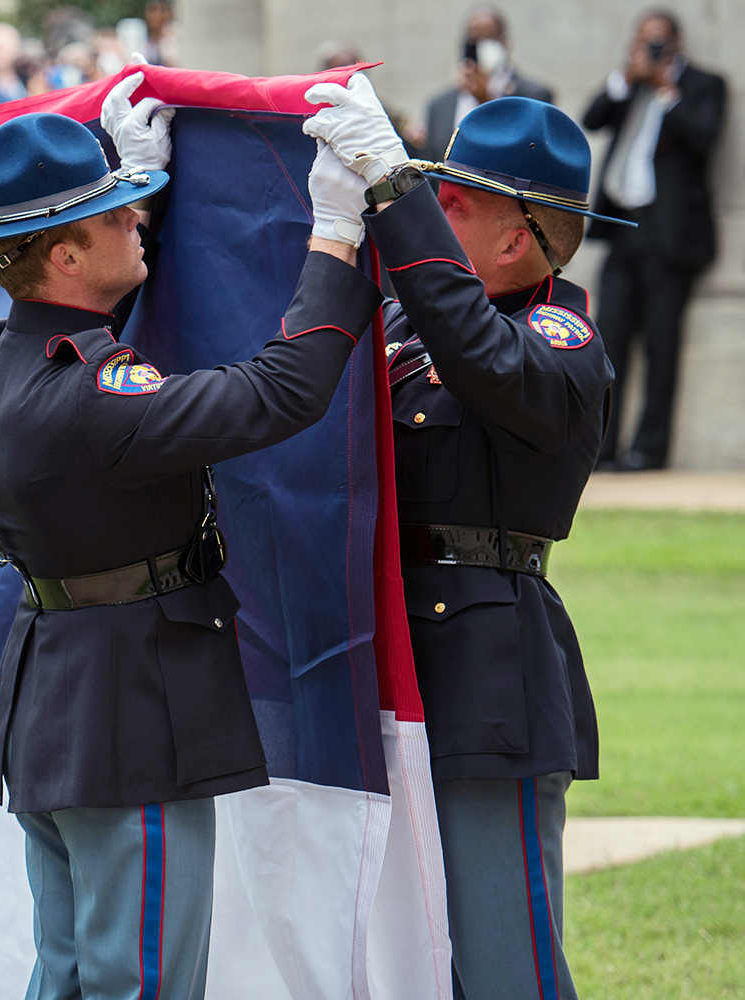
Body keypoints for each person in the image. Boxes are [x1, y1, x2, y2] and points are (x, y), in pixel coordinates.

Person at [0, 71, 383, 999]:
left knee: (72, 974)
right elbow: (281, 392)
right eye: (117, 215)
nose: (137, 221)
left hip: (58, 705)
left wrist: (141, 184)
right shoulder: (91, 400)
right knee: (143, 982)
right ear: (61, 255)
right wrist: (335, 230)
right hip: (131, 715)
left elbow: (89, 370)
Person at [303, 76, 624, 998]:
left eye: (451, 204)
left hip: (485, 673)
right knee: (394, 959)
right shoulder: (409, 320)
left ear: (519, 235)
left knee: (500, 962)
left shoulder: (561, 338)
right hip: (377, 663)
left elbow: (482, 357)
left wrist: (396, 203)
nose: (430, 218)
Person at [583, 9, 727, 471]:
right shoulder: (630, 87)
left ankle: (649, 450)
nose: (652, 51)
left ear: (678, 44)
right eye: (645, 42)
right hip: (622, 229)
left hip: (669, 238)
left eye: (659, 43)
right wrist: (626, 78)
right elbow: (592, 118)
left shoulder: (704, 84)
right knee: (608, 342)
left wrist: (668, 91)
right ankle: (602, 449)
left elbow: (704, 138)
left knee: (662, 346)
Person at [415, 6, 552, 163]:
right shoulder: (440, 105)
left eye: (488, 38)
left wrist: (485, 99)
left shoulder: (535, 96)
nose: (480, 45)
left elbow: (530, 155)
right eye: (473, 40)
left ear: (505, 42)